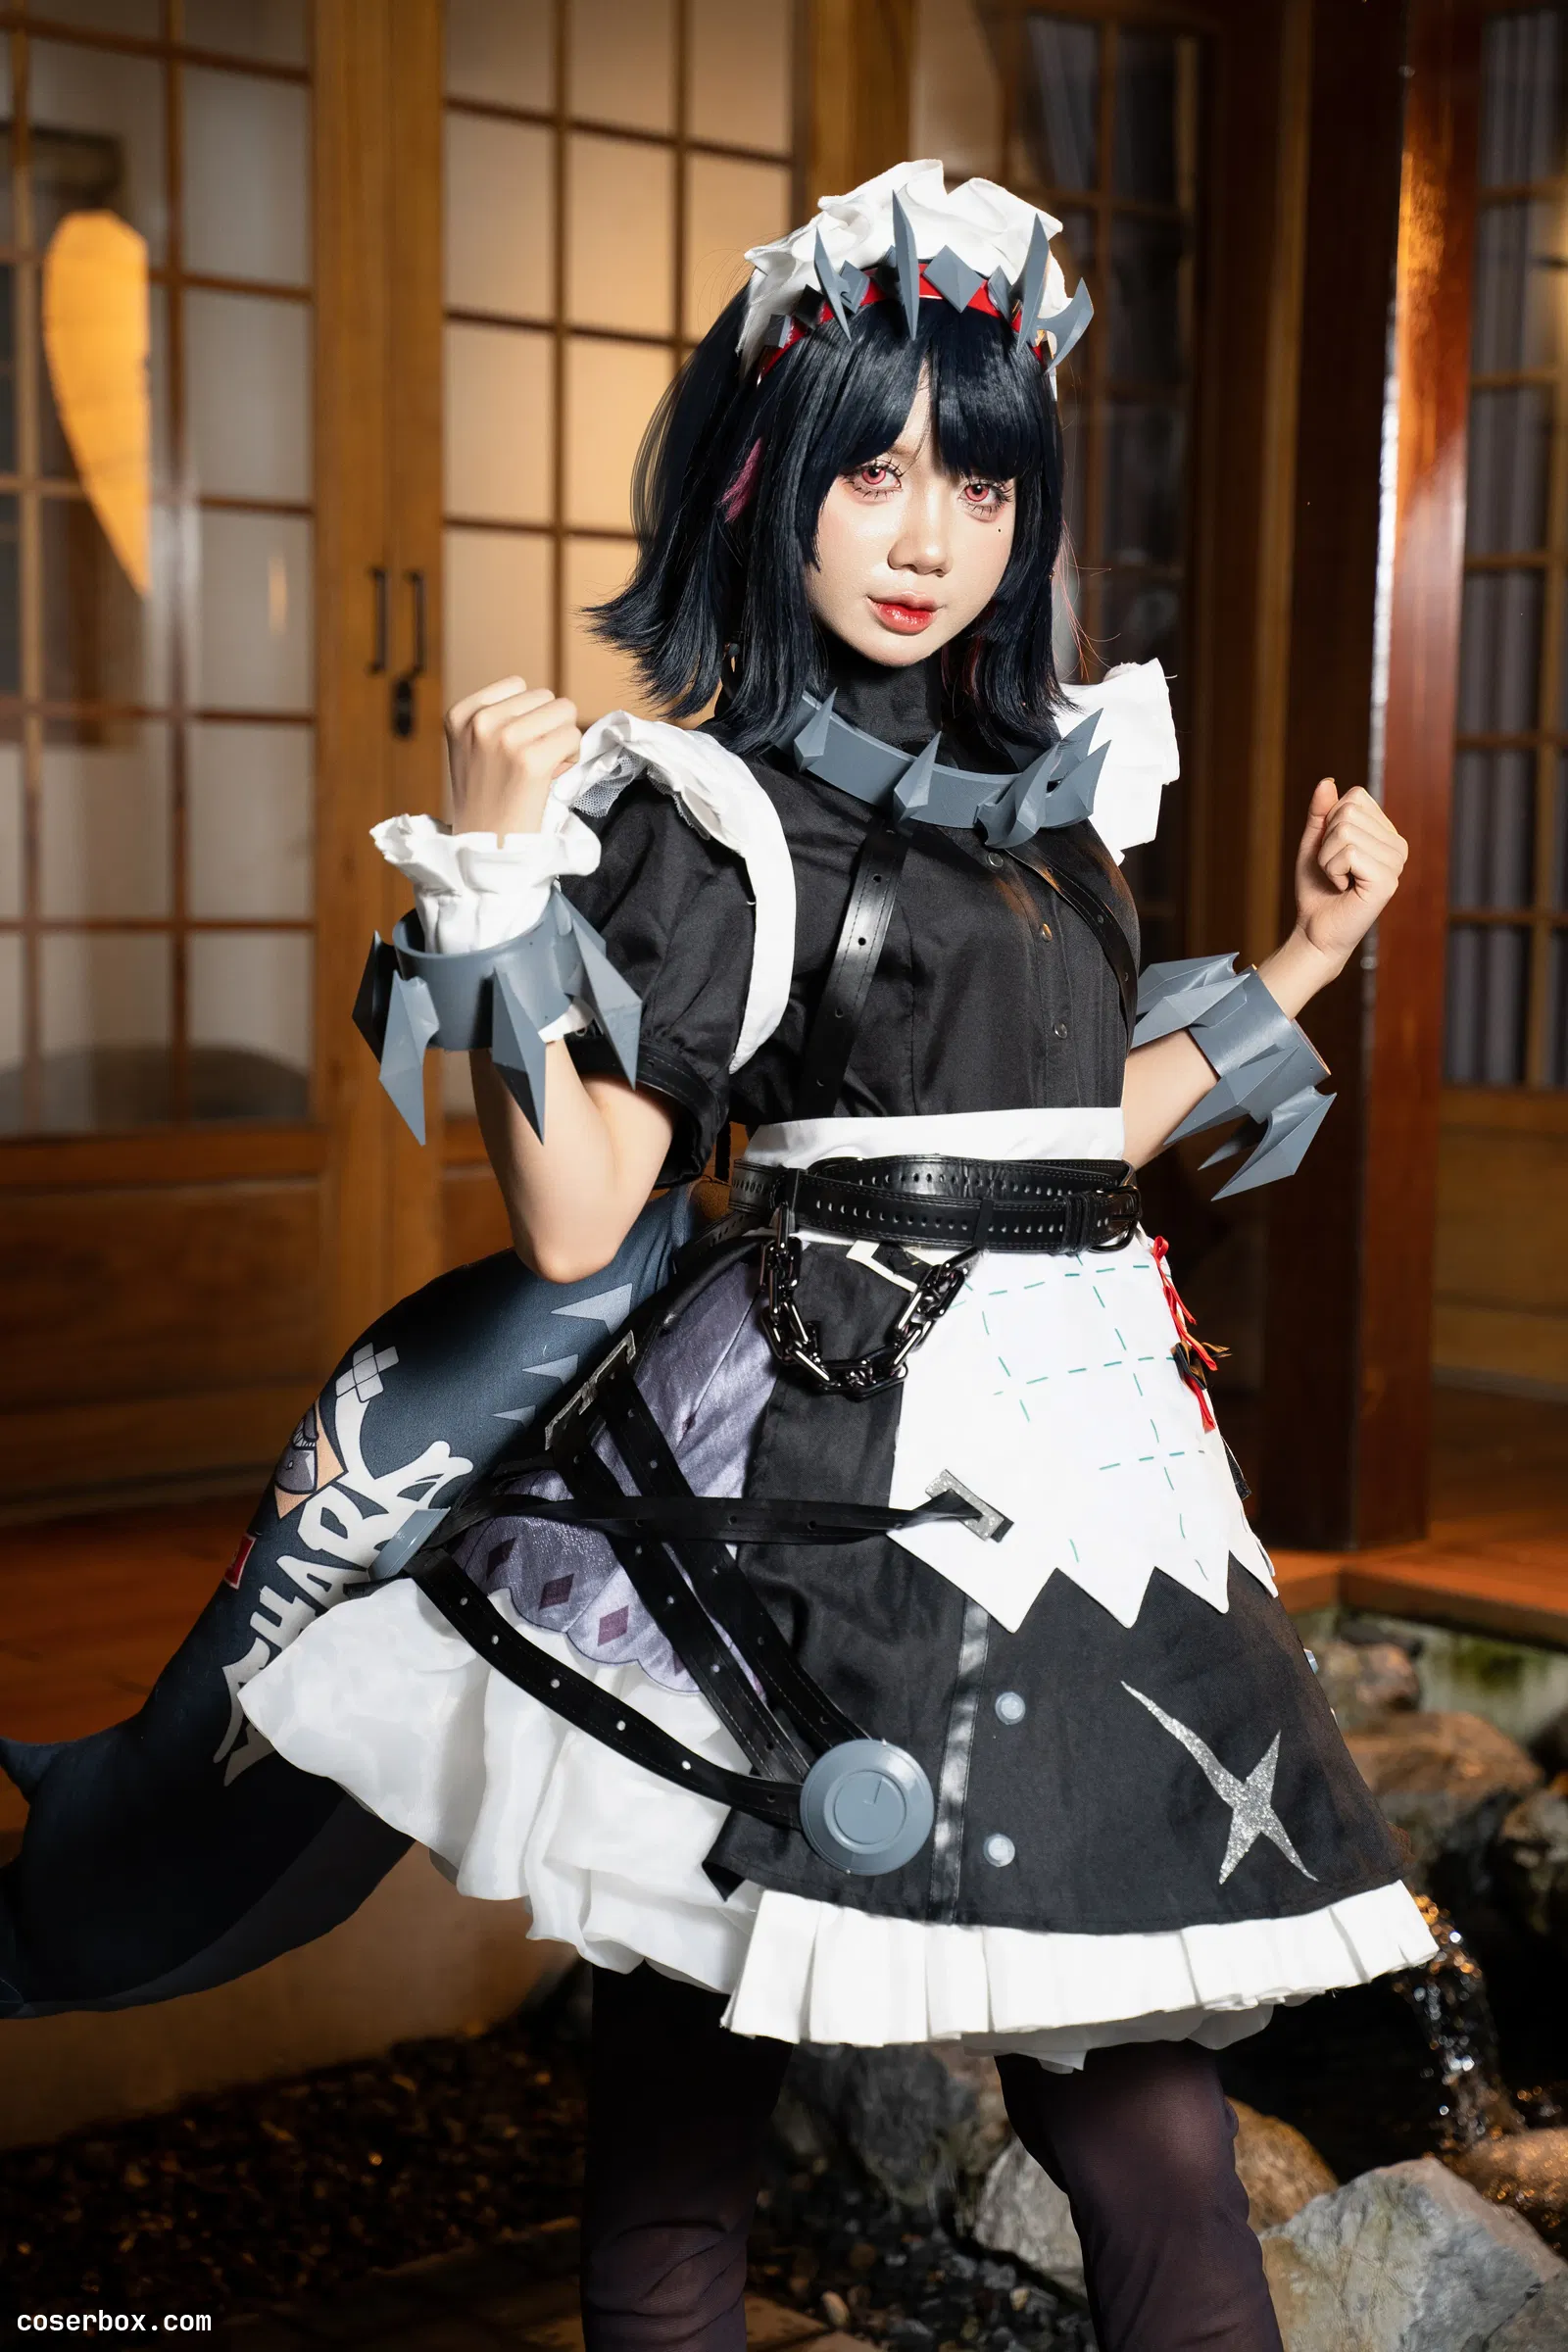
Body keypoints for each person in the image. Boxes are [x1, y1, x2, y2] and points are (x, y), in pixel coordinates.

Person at [242, 163, 1428, 2350]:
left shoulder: (1054, 807)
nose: (924, 538)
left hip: (1076, 1511)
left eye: (979, 486)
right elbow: (581, 1212)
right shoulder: (706, 816)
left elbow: (1077, 1148)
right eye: (872, 472)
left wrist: (1306, 955)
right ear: (767, 483)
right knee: (688, 2097)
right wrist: (494, 881)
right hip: (805, 1487)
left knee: (1152, 2134)